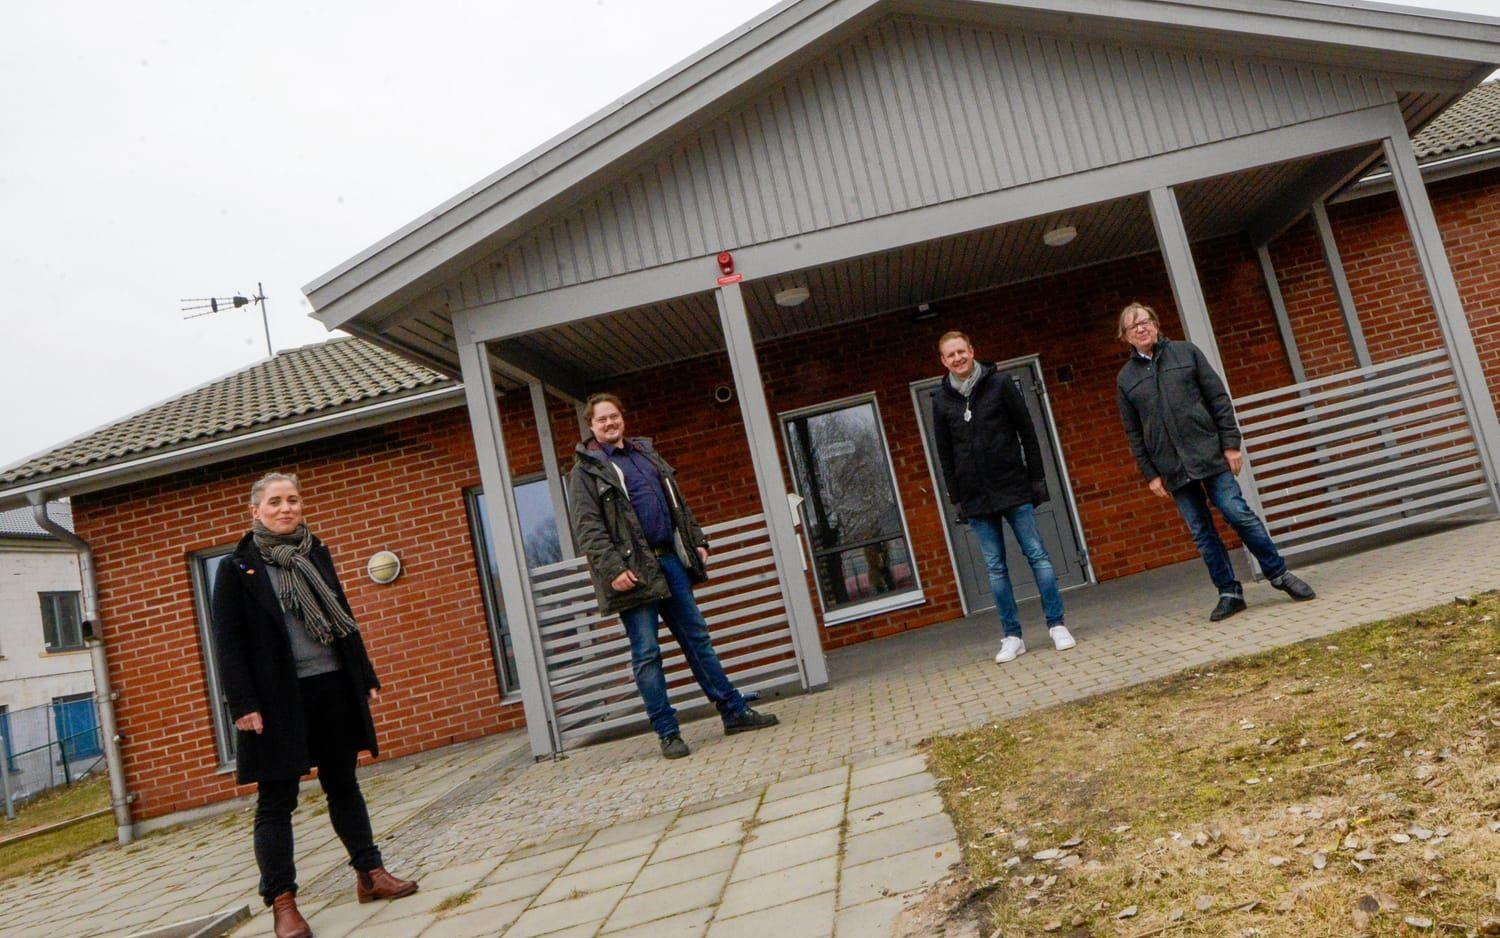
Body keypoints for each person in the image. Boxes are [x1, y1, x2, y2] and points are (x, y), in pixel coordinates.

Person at [212, 472, 417, 938]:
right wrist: (242, 703)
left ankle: (370, 874)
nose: (286, 508)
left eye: (293, 500)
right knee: (276, 801)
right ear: (255, 511)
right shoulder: (236, 567)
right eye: (275, 502)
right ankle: (283, 901)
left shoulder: (314, 552)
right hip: (276, 701)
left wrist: (363, 675)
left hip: (332, 685)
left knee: (344, 784)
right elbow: (227, 644)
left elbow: (343, 616)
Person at [568, 393, 779, 759]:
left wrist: (697, 539)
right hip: (633, 574)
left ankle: (734, 712)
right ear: (591, 426)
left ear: (623, 418)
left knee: (698, 640)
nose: (609, 423)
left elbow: (677, 503)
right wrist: (614, 569)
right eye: (601, 420)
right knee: (647, 653)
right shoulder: (586, 471)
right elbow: (588, 529)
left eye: (614, 416)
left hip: (670, 563)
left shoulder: (646, 455)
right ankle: (667, 733)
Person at [1114, 302, 1316, 620]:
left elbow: (1217, 398)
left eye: (1145, 321)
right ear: (1125, 337)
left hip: (1208, 453)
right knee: (1201, 532)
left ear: (1155, 323)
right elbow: (1134, 432)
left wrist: (1231, 445)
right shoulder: (1126, 379)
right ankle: (1229, 592)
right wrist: (1150, 474)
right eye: (1132, 326)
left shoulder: (1186, 353)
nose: (1141, 328)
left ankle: (1279, 575)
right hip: (1173, 468)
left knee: (1238, 513)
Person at [933, 331, 1075, 664]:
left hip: (1013, 486)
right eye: (950, 355)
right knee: (996, 569)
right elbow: (945, 455)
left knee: (1038, 555)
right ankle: (1012, 636)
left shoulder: (1000, 385)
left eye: (961, 351)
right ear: (943, 361)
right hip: (975, 497)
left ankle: (1057, 625)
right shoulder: (941, 402)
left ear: (972, 350)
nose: (957, 358)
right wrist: (957, 499)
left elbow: (1028, 432)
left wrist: (1037, 479)